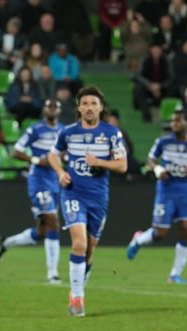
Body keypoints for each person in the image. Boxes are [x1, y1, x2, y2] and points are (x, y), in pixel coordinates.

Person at [47, 86, 127, 317]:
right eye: (85, 103)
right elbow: (53, 154)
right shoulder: (68, 133)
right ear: (79, 108)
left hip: (98, 197)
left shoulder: (112, 133)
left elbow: (122, 165)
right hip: (73, 194)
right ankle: (77, 297)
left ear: (101, 108)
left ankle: (78, 288)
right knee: (79, 243)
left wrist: (100, 162)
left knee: (89, 251)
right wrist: (60, 173)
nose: (89, 107)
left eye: (94, 103)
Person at [0, 99, 64, 284]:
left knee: (41, 231)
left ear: (59, 111)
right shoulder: (35, 129)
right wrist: (35, 160)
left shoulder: (64, 130)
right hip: (39, 180)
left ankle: (6, 243)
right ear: (44, 110)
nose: (51, 110)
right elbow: (16, 151)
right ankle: (53, 273)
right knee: (53, 221)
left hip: (55, 180)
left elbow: (66, 152)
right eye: (48, 106)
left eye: (55, 107)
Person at [126, 110, 187, 284]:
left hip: (185, 190)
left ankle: (174, 274)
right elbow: (150, 160)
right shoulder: (164, 141)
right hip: (166, 190)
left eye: (178, 121)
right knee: (161, 233)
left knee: (186, 229)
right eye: (172, 121)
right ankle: (138, 240)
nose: (174, 124)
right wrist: (158, 170)